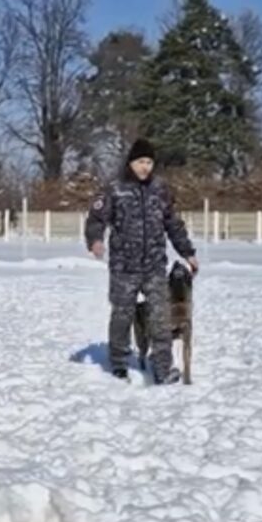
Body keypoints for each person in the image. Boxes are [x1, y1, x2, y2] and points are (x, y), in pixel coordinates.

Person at [84, 138, 198, 385]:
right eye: (140, 162)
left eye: (149, 162)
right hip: (124, 267)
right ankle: (119, 364)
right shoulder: (115, 188)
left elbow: (173, 224)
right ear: (131, 163)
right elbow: (96, 218)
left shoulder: (161, 190)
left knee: (160, 318)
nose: (145, 167)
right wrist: (95, 240)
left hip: (155, 266)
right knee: (122, 316)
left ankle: (163, 368)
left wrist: (187, 252)